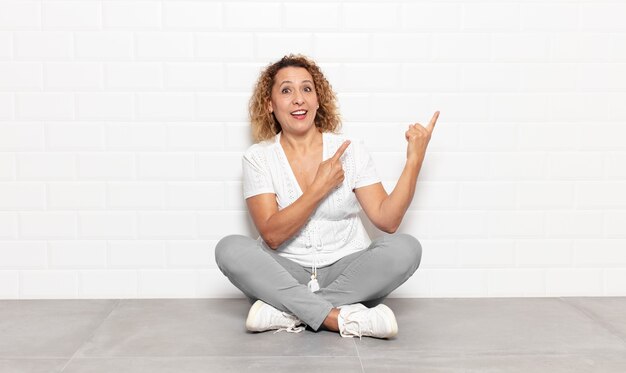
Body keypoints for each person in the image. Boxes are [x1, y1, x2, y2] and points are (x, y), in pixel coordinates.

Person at [215, 54, 439, 339]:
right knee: (229, 249)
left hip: (347, 272)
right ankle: (342, 318)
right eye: (286, 90)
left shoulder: (351, 150)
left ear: (318, 100)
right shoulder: (258, 157)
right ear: (269, 105)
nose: (299, 99)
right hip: (285, 271)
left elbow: (389, 220)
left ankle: (288, 312)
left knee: (406, 249)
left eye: (307, 89)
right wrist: (320, 187)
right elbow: (272, 235)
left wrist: (414, 160)